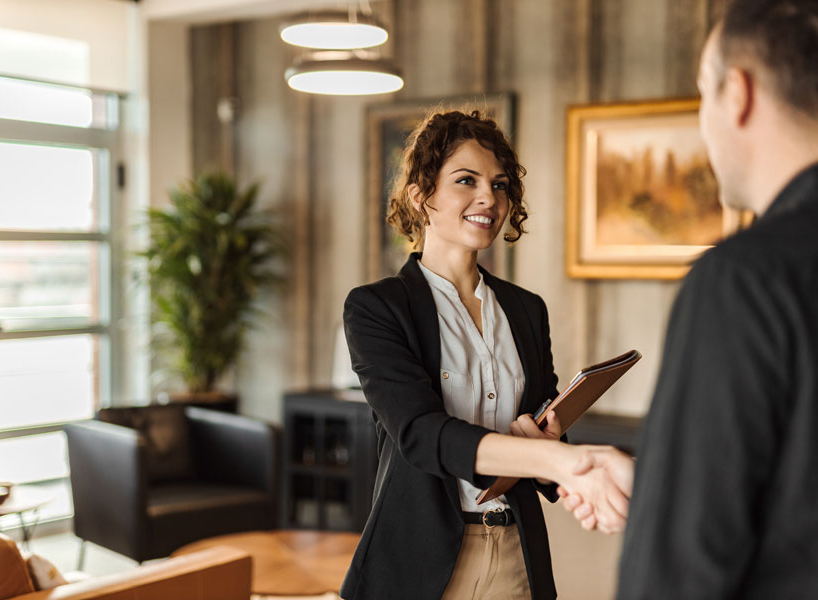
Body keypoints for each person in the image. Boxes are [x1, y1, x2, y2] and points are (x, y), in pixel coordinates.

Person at [559, 0, 818, 596]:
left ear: (738, 93)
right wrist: (662, 482)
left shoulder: (745, 279)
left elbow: (678, 571)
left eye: (702, 93)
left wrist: (671, 500)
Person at [340, 109, 634, 600]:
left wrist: (551, 439)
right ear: (421, 193)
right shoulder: (377, 307)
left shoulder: (526, 309)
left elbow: (543, 417)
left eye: (499, 185)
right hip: (417, 562)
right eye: (465, 180)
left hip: (517, 551)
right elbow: (421, 434)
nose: (488, 198)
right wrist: (560, 461)